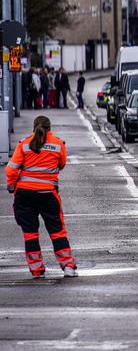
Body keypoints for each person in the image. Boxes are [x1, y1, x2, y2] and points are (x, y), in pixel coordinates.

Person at [5, 116, 77, 278]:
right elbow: (61, 165)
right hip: (48, 195)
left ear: (34, 127)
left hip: (24, 195)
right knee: (57, 231)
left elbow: (11, 169)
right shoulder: (58, 144)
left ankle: (37, 270)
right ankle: (68, 266)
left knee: (30, 233)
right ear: (49, 128)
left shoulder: (24, 144)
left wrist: (11, 185)